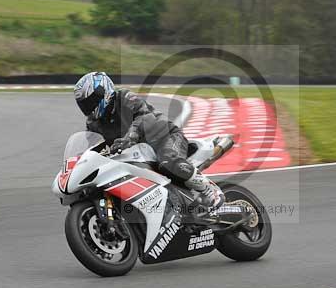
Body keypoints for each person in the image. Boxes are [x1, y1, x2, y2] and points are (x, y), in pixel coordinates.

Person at [74, 71, 225, 211]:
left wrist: (130, 136)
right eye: (84, 104)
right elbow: (94, 146)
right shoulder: (93, 123)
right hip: (136, 154)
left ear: (103, 92)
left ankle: (209, 190)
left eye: (91, 101)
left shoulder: (124, 97)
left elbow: (144, 116)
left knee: (168, 162)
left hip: (165, 137)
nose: (88, 107)